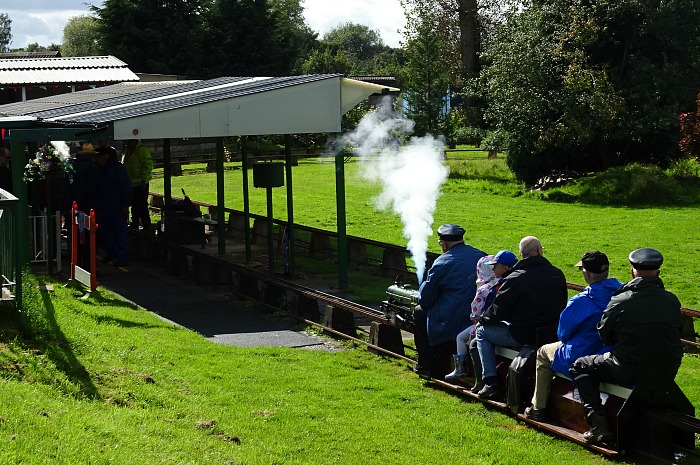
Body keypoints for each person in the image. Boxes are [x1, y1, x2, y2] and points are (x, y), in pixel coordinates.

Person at [569, 248, 683, 446]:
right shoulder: (671, 300)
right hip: (667, 369)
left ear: (632, 272)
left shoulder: (621, 300)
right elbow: (677, 333)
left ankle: (598, 427)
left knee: (580, 365)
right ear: (658, 273)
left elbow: (604, 336)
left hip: (629, 369)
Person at [523, 251, 623, 421]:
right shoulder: (622, 293)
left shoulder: (580, 301)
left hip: (582, 354)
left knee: (543, 352)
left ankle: (538, 408)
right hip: (612, 353)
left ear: (586, 273)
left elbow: (562, 334)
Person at [475, 236, 568, 400]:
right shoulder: (557, 274)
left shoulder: (515, 278)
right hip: (550, 333)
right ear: (539, 251)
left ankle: (490, 382)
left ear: (521, 254)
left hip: (522, 334)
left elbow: (497, 312)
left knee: (482, 332)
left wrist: (481, 320)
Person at [413, 224, 486, 378]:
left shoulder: (441, 263)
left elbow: (425, 299)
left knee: (419, 312)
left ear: (444, 244)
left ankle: (425, 364)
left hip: (451, 321)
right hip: (477, 315)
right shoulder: (480, 255)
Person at [445, 250, 518, 382]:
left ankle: (461, 368)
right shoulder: (506, 283)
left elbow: (475, 311)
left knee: (461, 337)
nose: (494, 268)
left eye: (495, 265)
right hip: (506, 323)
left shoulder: (484, 288)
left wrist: (476, 319)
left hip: (487, 323)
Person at [97, 144, 133, 267]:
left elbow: (126, 186)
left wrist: (125, 204)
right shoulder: (101, 170)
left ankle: (122, 257)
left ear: (105, 157)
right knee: (104, 230)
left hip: (116, 205)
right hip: (104, 205)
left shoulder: (117, 169)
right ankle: (112, 253)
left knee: (118, 231)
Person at [121, 139, 153, 230]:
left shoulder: (142, 150)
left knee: (142, 206)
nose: (127, 145)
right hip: (132, 185)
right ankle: (135, 225)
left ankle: (147, 227)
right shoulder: (127, 151)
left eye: (128, 143)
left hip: (141, 184)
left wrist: (144, 180)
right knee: (134, 206)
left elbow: (148, 165)